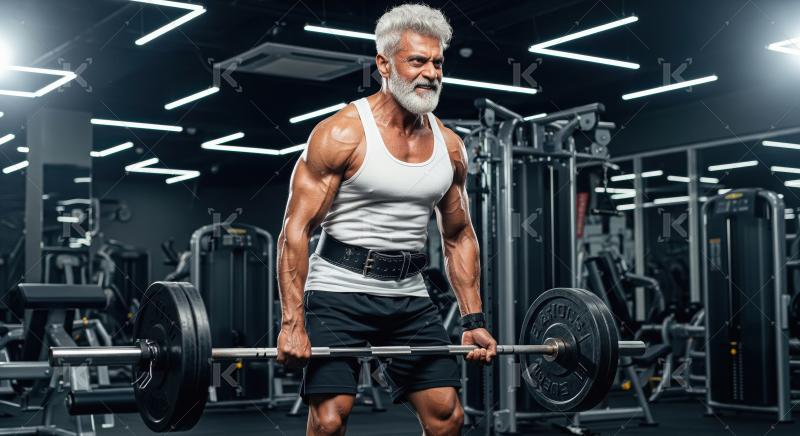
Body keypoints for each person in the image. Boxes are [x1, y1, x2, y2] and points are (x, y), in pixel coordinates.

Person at [276, 4, 496, 435]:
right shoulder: (342, 133)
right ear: (383, 63)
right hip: (338, 290)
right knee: (330, 418)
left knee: (448, 416)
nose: (430, 73)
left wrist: (473, 321)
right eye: (417, 61)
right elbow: (295, 230)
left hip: (409, 296)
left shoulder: (450, 146)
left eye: (437, 63)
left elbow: (458, 235)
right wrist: (292, 323)